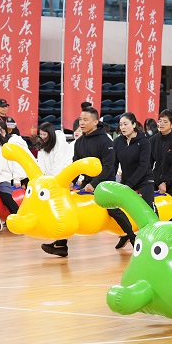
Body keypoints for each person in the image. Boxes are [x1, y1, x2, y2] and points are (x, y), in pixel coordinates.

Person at [41, 106, 116, 257]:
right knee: (67, 205)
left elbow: (109, 168)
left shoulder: (105, 140)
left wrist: (94, 184)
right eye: (80, 119)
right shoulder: (80, 142)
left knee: (115, 211)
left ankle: (131, 237)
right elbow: (76, 165)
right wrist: (72, 182)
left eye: (85, 120)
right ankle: (61, 244)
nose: (81, 123)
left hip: (105, 184)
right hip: (86, 185)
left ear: (95, 122)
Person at [110, 112, 155, 249]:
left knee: (147, 209)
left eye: (126, 124)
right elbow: (114, 165)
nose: (122, 127)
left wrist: (129, 184)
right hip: (126, 182)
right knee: (112, 208)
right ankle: (129, 234)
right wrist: (111, 184)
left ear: (134, 125)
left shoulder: (144, 142)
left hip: (144, 180)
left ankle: (153, 239)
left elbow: (144, 166)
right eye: (120, 125)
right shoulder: (117, 142)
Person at [151, 109, 172, 218]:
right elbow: (149, 163)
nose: (161, 124)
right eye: (160, 121)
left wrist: (166, 182)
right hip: (156, 180)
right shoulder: (152, 140)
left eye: (165, 122)